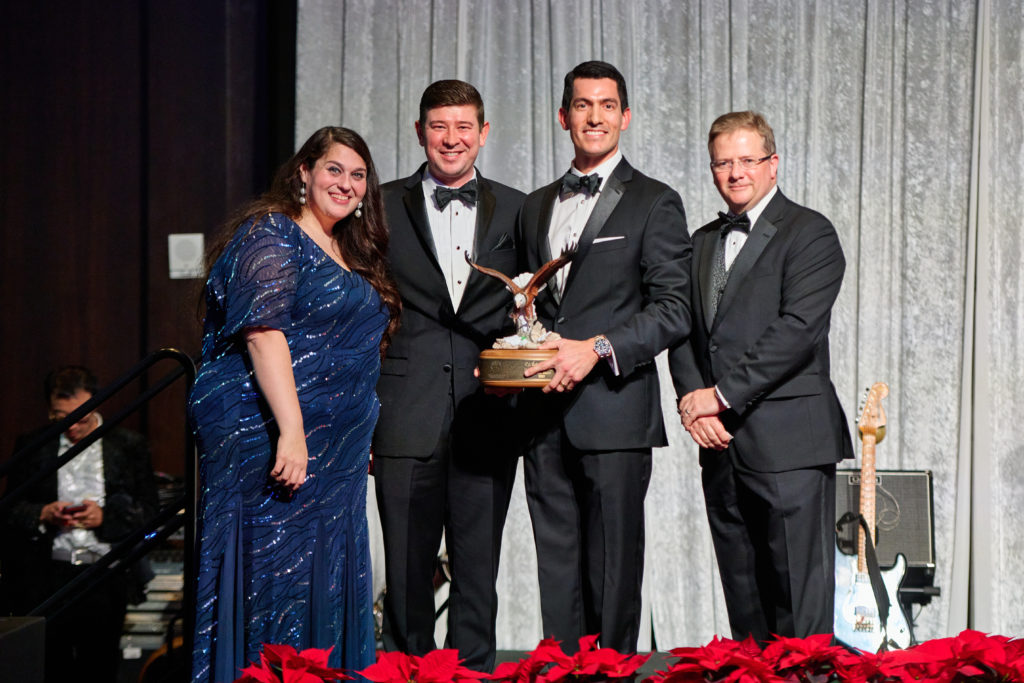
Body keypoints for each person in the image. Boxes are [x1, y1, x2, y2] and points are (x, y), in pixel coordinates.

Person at [188, 126, 400, 682]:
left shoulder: (350, 250)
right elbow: (262, 333)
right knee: (277, 580)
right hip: (273, 437)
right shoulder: (271, 232)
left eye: (358, 175)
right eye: (334, 169)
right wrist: (292, 431)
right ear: (304, 172)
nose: (347, 183)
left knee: (323, 579)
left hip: (338, 454)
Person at [517, 61, 691, 653]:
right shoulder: (535, 206)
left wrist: (596, 349)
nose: (595, 116)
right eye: (583, 105)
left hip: (615, 412)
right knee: (556, 566)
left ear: (626, 116)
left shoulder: (655, 202)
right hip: (541, 412)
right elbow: (525, 300)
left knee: (614, 570)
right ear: (563, 116)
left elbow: (675, 308)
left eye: (607, 105)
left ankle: (612, 672)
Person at [668, 111, 853, 643]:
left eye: (748, 160)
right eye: (723, 162)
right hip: (721, 447)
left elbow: (796, 332)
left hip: (790, 444)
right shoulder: (701, 241)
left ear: (773, 164)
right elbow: (682, 330)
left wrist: (719, 397)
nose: (735, 173)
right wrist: (689, 402)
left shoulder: (810, 232)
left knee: (798, 606)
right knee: (744, 605)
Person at [373, 79, 524, 672]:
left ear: (483, 134)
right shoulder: (379, 204)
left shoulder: (519, 208)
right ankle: (409, 670)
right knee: (408, 573)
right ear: (419, 132)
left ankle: (472, 674)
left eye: (464, 127)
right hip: (404, 410)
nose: (452, 138)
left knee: (477, 573)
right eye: (439, 126)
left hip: (488, 414)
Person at [1, 365, 158, 683]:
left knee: (99, 668)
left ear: (95, 405)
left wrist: (104, 517)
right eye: (61, 417)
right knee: (48, 667)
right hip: (47, 576)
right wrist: (43, 513)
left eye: (81, 416)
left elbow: (150, 510)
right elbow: (8, 510)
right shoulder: (33, 443)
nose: (72, 426)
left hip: (104, 575)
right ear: (50, 410)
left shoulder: (127, 445)